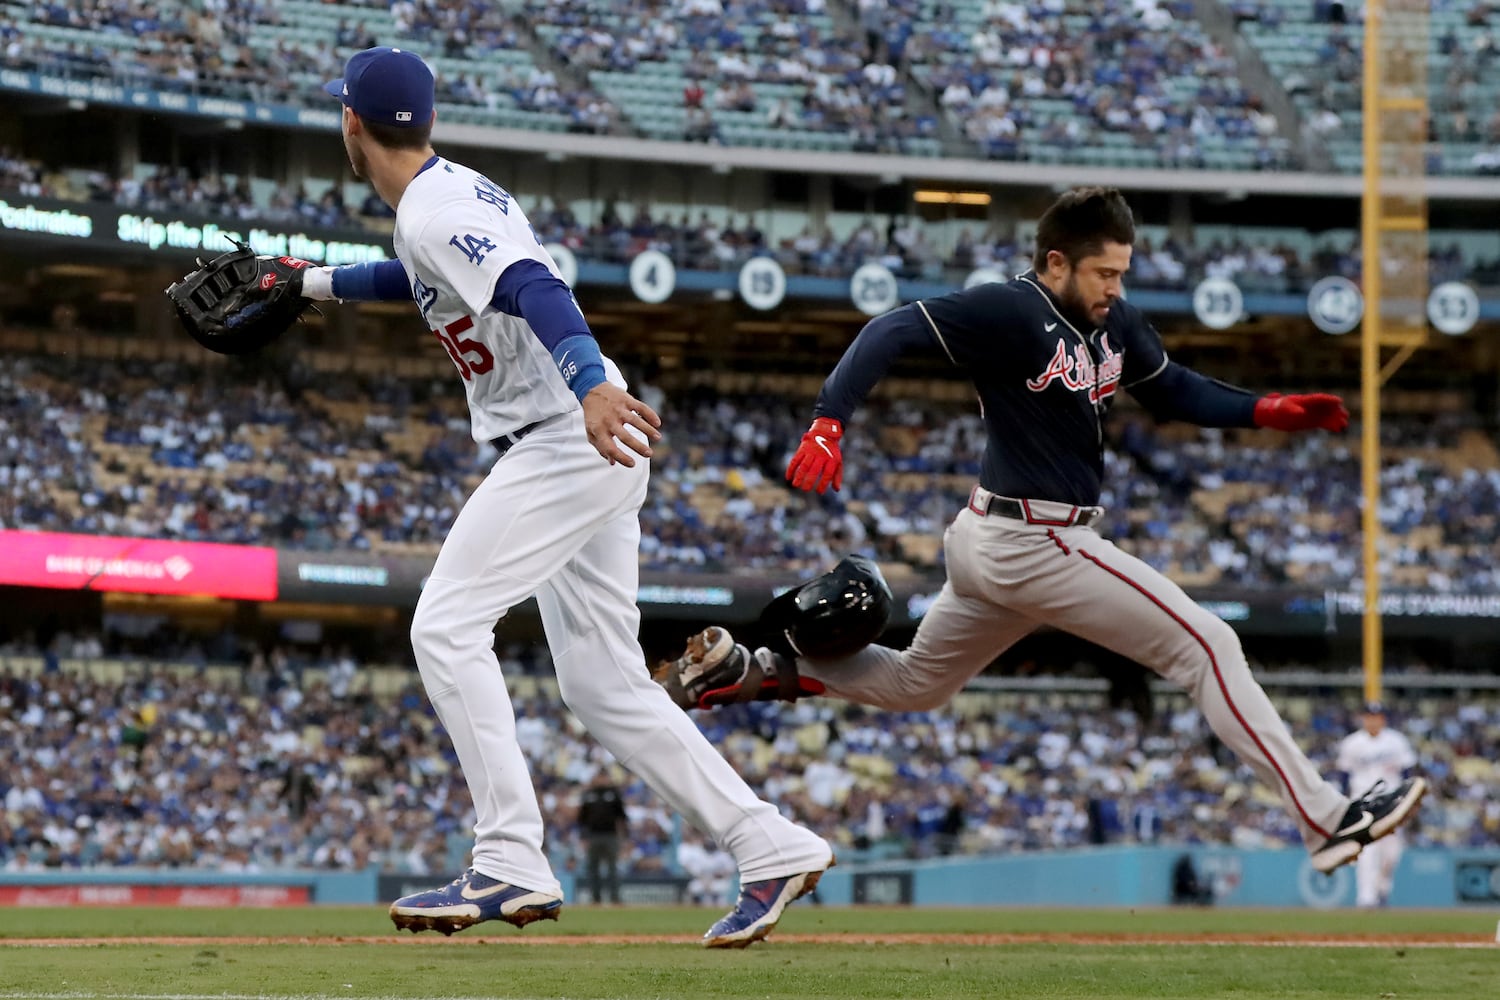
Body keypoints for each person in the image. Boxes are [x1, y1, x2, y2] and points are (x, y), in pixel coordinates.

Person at [654, 187, 1427, 876]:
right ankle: (1328, 818)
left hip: (1003, 543)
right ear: (1057, 261)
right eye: (1105, 272)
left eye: (1122, 272)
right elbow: (890, 329)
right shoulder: (1011, 309)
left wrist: (1266, 410)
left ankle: (750, 671)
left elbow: (1175, 390)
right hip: (1034, 539)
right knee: (1207, 645)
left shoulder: (1113, 321)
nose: (1116, 286)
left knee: (919, 684)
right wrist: (829, 417)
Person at [296, 46, 832, 948]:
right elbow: (422, 278)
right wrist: (310, 281)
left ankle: (508, 858)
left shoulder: (432, 208)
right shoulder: (443, 197)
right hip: (581, 435)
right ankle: (769, 844)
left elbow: (530, 286)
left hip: (570, 432)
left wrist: (587, 382)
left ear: (352, 123)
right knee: (601, 682)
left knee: (445, 623)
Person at [1336, 701, 1419, 906]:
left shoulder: (1396, 741)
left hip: (1392, 803)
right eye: (1369, 716)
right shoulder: (1352, 743)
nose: (1373, 720)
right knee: (1366, 851)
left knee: (1392, 853)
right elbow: (1343, 776)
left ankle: (1382, 885)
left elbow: (1408, 773)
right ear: (1364, 718)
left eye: (1377, 716)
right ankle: (1366, 898)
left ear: (1383, 719)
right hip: (1363, 802)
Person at [577, 769, 628, 904]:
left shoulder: (614, 794)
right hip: (593, 835)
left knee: (613, 868)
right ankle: (595, 898)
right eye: (600, 777)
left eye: (604, 777)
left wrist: (624, 837)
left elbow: (622, 816)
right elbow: (582, 819)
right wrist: (583, 837)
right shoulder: (588, 795)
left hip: (610, 835)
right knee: (593, 868)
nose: (602, 780)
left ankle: (615, 897)